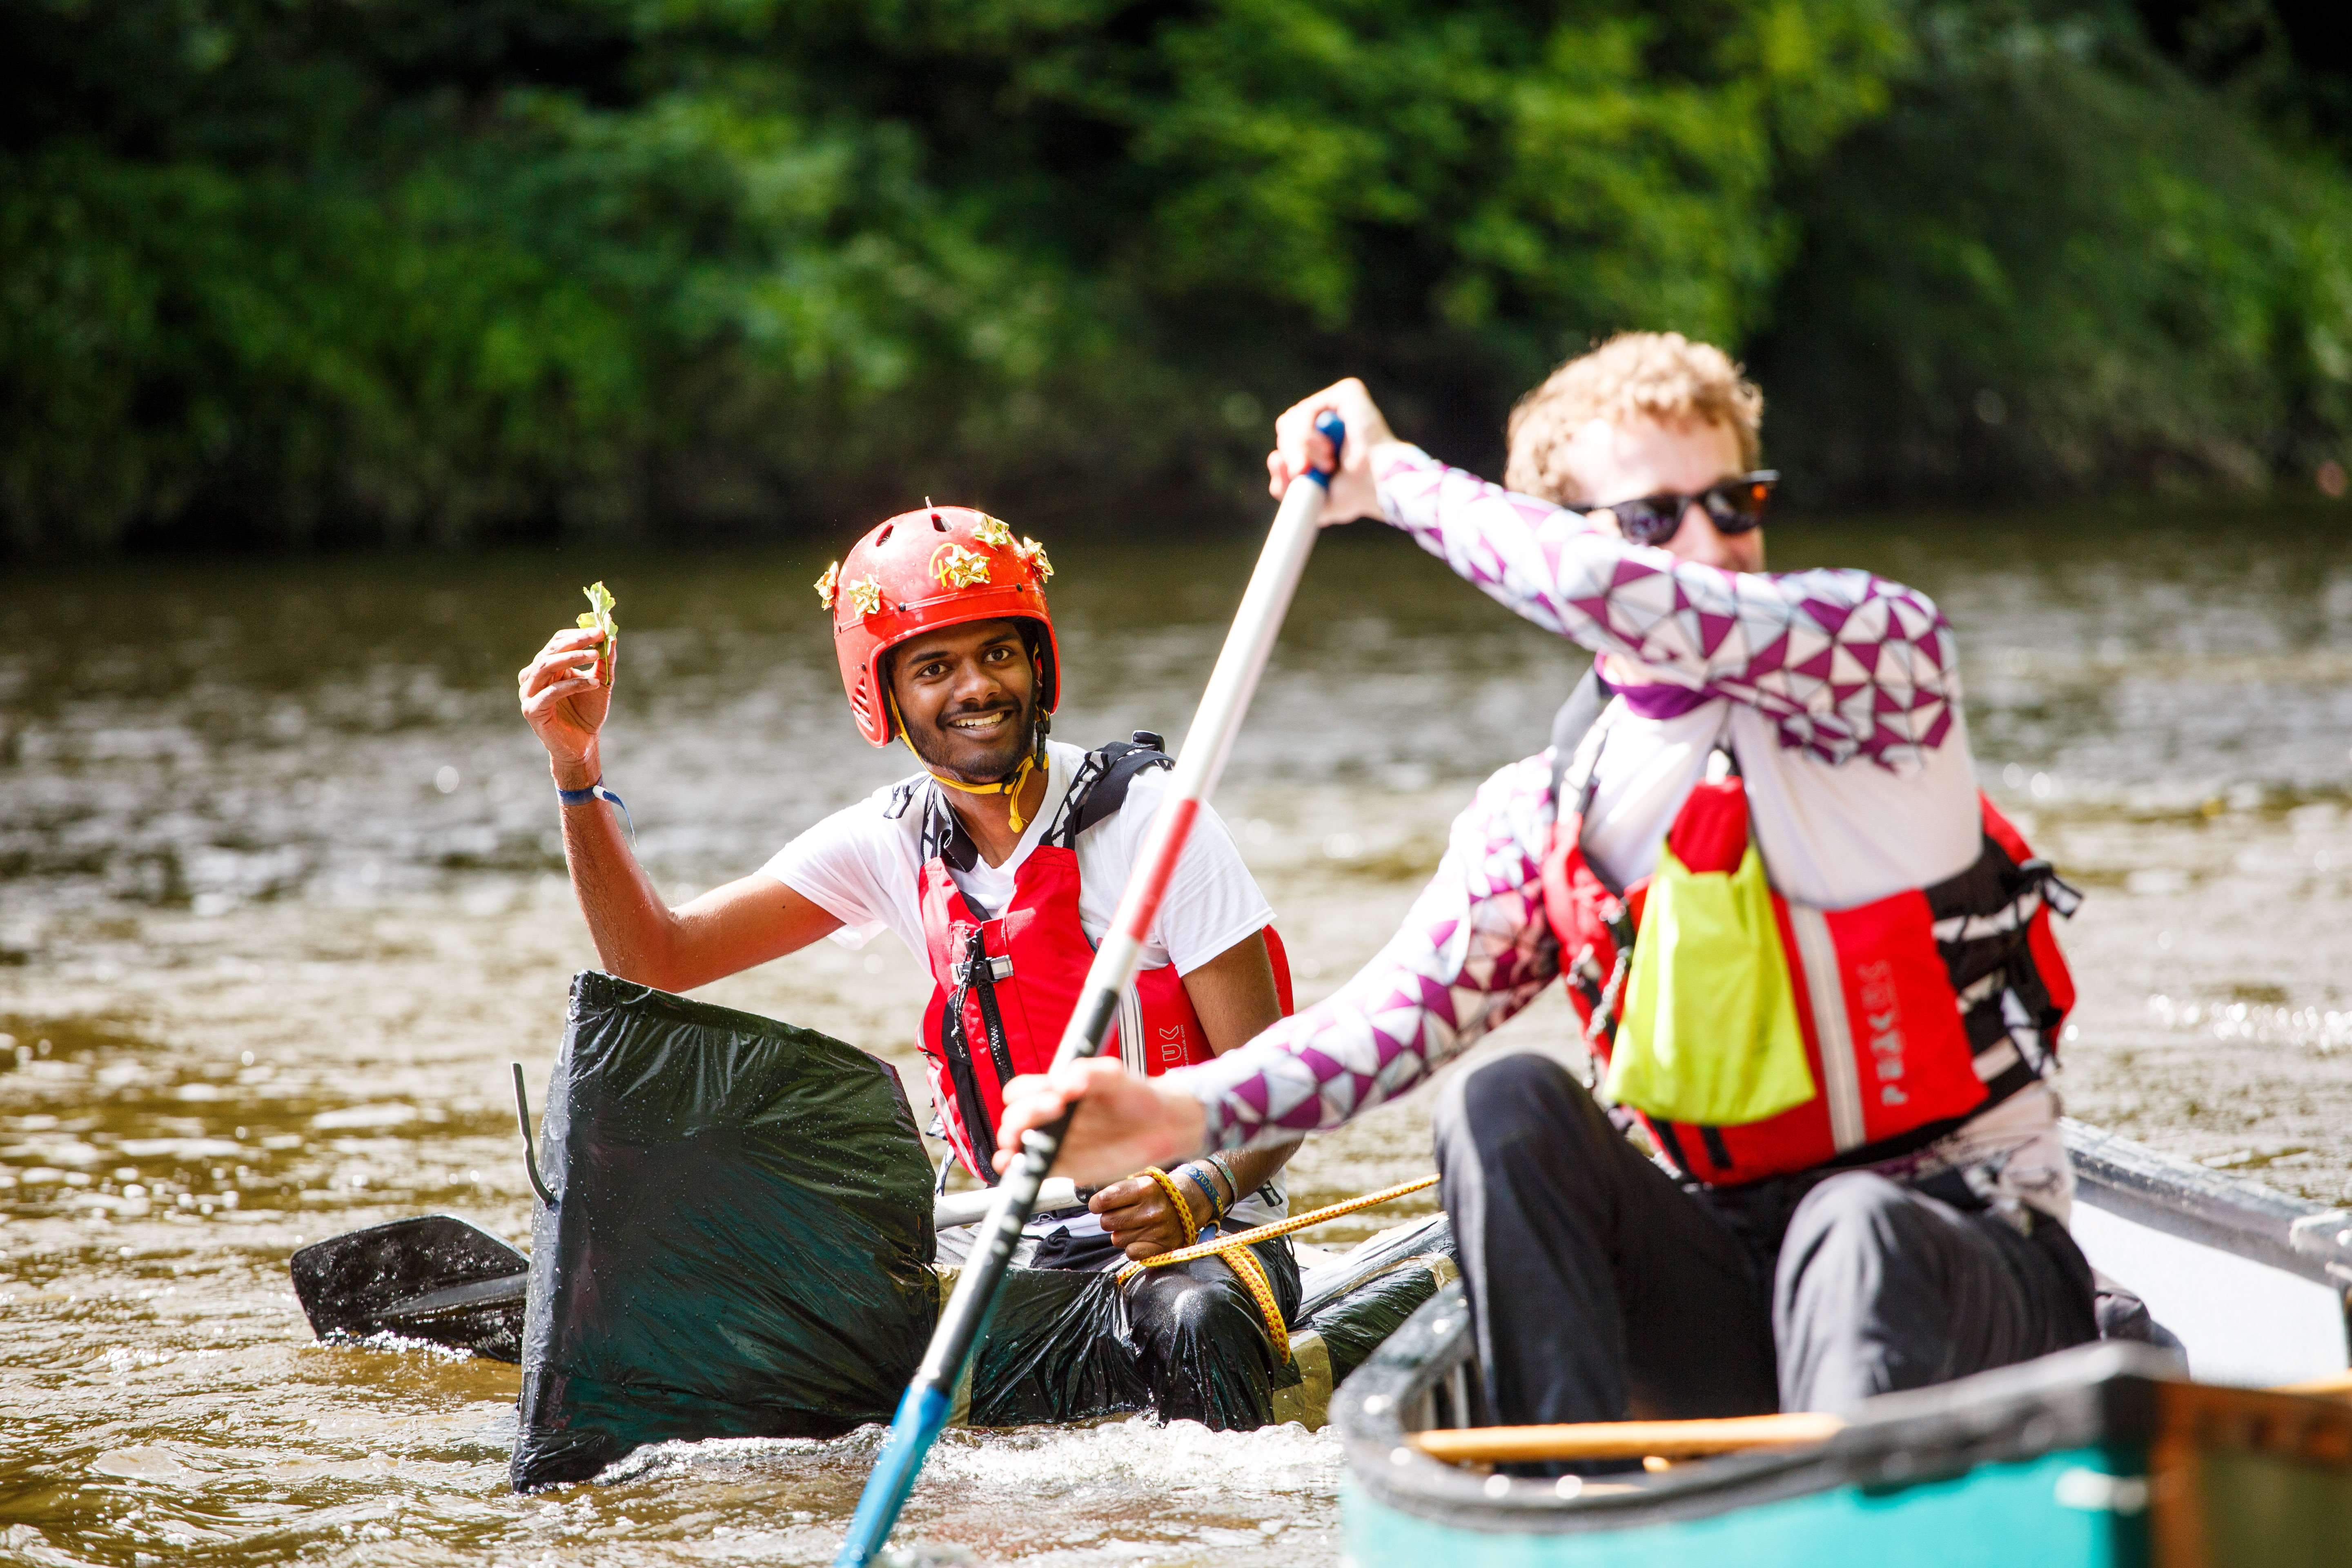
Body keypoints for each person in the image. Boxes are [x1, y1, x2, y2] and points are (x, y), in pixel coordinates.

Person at [993, 333, 2097, 1441]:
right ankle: (1567, 1494)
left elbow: (1615, 590)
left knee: (1858, 1225)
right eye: (1658, 518)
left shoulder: (1877, 664)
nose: (1710, 540)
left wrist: (1394, 480)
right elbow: (1380, 1032)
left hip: (1968, 1268)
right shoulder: (1547, 811)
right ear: (1563, 531)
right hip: (1738, 1298)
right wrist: (1175, 1111)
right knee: (1501, 1105)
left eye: (1736, 501)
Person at [515, 504, 1303, 1425]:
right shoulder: (890, 839)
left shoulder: (1157, 825)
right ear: (884, 697)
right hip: (1020, 1240)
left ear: (1038, 666)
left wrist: (1196, 1187)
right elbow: (656, 958)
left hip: (1204, 1229)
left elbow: (1284, 1087)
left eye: (998, 656)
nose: (977, 688)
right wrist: (576, 769)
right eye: (935, 668)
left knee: (1194, 1315)